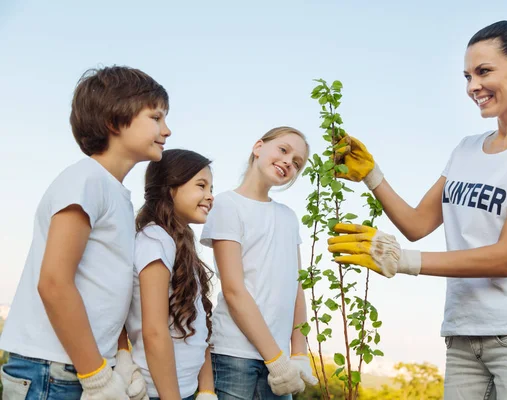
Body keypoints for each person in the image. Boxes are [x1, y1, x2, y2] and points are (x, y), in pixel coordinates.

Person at [328, 20, 507, 399]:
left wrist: (401, 260)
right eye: (466, 76)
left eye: (483, 72)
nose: (471, 87)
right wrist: (373, 176)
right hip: (462, 339)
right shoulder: (465, 149)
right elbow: (416, 224)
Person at [0, 66, 171, 399]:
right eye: (156, 117)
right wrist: (96, 376)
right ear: (114, 119)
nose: (167, 130)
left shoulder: (116, 194)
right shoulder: (87, 180)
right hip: (52, 370)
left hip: (77, 367)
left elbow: (106, 290)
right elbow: (54, 283)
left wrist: (121, 356)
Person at [200, 126, 318, 399]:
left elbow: (296, 288)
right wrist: (275, 358)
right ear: (258, 147)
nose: (289, 161)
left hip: (282, 362)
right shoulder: (227, 205)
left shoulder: (289, 217)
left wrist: (298, 353)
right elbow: (233, 290)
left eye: (297, 163)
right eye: (284, 150)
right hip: (235, 355)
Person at [125, 149, 217, 400]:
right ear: (169, 188)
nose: (210, 196)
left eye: (211, 188)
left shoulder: (178, 243)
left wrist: (207, 389)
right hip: (161, 393)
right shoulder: (154, 239)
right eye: (201, 186)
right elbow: (154, 331)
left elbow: (200, 321)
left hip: (183, 390)